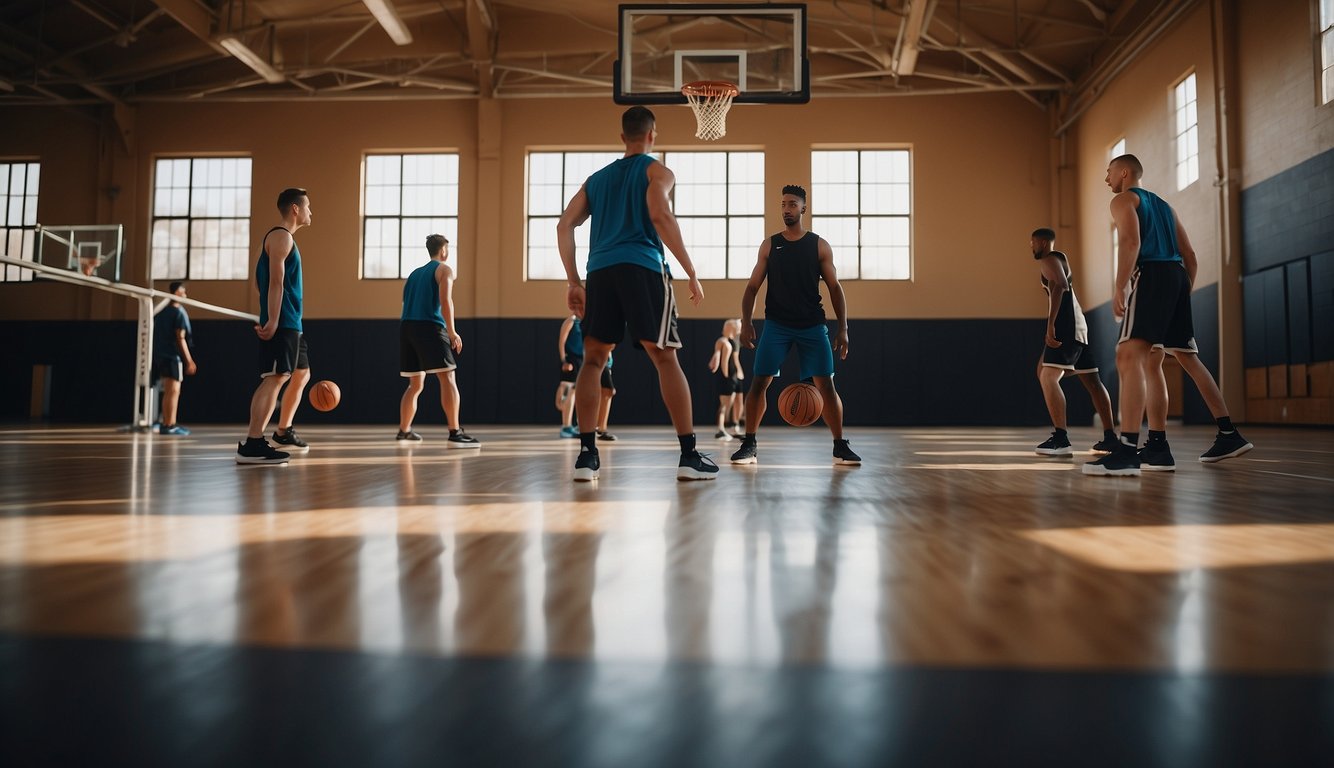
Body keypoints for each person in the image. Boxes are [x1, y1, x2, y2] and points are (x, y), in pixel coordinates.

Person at [556, 105, 716, 482]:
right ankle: (689, 456)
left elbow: (564, 225)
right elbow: (660, 215)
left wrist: (574, 281)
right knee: (665, 358)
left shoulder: (596, 180)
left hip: (601, 272)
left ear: (622, 136)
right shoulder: (657, 170)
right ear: (652, 135)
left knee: (593, 360)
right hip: (642, 268)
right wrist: (691, 270)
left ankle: (586, 456)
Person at [1084, 155, 1252, 476]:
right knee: (1173, 359)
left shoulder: (1123, 200)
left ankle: (1128, 450)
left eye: (1108, 173)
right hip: (1177, 276)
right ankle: (1208, 436)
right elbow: (1190, 254)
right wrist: (1181, 292)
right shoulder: (1165, 207)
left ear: (1123, 172)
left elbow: (1130, 241)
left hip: (1151, 274)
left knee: (1128, 355)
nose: (1106, 180)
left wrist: (1119, 286)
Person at [730, 185, 861, 466]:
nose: (787, 209)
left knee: (826, 385)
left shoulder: (818, 245)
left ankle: (840, 445)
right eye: (783, 204)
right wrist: (746, 322)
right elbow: (752, 287)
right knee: (759, 383)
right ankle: (749, 444)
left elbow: (835, 288)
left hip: (812, 326)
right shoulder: (770, 244)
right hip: (777, 325)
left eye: (792, 204)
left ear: (803, 208)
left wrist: (844, 328)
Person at [236, 187, 313, 465]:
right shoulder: (281, 237)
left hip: (292, 322)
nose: (310, 212)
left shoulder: (280, 238)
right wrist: (273, 319)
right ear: (295, 209)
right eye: (307, 207)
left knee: (301, 374)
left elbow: (258, 282)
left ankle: (283, 431)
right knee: (276, 378)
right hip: (283, 322)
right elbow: (275, 283)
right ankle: (253, 443)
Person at [1029, 228, 1118, 456]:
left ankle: (1061, 438)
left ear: (1041, 241)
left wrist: (1050, 324)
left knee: (1048, 376)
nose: (1031, 247)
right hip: (1079, 326)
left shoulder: (1049, 259)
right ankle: (1110, 438)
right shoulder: (1061, 257)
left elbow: (1060, 285)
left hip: (1066, 326)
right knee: (1093, 382)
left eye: (1032, 243)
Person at [397, 234, 481, 447]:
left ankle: (404, 431)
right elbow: (446, 301)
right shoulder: (445, 270)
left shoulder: (414, 274)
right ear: (444, 250)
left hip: (406, 327)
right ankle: (455, 432)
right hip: (428, 326)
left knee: (415, 384)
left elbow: (405, 302)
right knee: (448, 378)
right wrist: (452, 332)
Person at [556, 314, 618, 441]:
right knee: (569, 390)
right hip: (572, 360)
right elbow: (561, 342)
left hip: (584, 360)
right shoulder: (571, 321)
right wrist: (564, 361)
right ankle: (566, 426)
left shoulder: (590, 322)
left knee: (585, 391)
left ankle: (589, 426)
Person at [152, 281, 196, 436]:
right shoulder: (177, 312)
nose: (185, 295)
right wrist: (189, 360)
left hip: (161, 355)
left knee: (169, 390)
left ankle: (167, 423)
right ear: (177, 292)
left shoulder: (163, 312)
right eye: (183, 292)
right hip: (171, 356)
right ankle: (169, 424)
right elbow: (180, 337)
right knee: (173, 390)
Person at [708, 318, 745, 440]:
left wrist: (737, 373)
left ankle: (731, 426)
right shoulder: (723, 341)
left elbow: (733, 359)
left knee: (733, 402)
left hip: (733, 377)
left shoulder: (733, 342)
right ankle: (720, 430)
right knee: (724, 405)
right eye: (737, 327)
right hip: (727, 378)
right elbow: (718, 356)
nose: (739, 329)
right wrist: (725, 375)